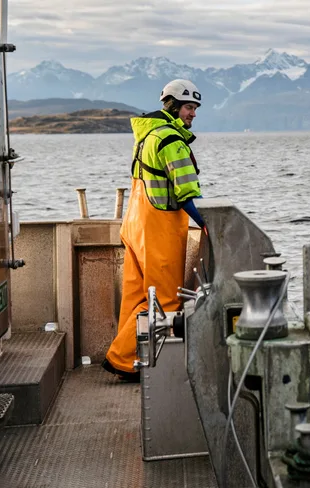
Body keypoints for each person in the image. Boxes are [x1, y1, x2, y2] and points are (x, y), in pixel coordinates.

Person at [102, 79, 205, 382]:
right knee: (164, 300)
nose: (193, 113)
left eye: (196, 108)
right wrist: (206, 223)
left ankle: (131, 362)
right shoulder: (171, 140)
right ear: (172, 105)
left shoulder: (147, 136)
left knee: (135, 297)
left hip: (135, 224)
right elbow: (185, 193)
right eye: (189, 107)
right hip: (159, 229)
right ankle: (121, 357)